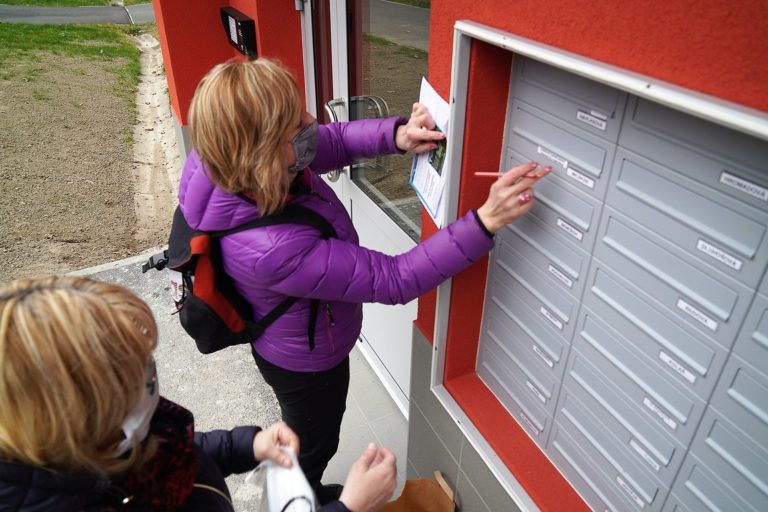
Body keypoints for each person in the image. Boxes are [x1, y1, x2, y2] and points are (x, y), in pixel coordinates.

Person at [182, 57, 549, 504]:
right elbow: (394, 278)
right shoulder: (273, 249)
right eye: (295, 123)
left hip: (295, 336)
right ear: (264, 155)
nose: (311, 120)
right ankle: (302, 497)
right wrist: (485, 221)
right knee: (312, 444)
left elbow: (327, 142)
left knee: (309, 436)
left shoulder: (224, 161)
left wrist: (396, 136)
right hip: (305, 364)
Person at [0, 276, 397, 512]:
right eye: (132, 375)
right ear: (71, 417)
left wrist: (245, 445)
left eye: (145, 359)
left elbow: (168, 455)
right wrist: (350, 507)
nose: (151, 376)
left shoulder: (107, 445)